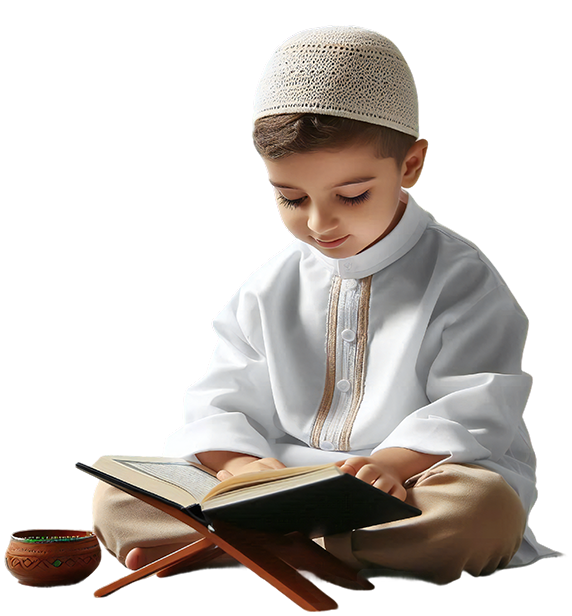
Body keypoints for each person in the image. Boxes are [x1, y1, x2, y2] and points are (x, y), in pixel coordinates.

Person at [92, 25, 565, 586]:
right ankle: (314, 553)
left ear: (410, 165)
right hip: (278, 480)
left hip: (409, 483)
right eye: (291, 198)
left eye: (352, 195)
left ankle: (239, 549)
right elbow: (221, 403)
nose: (319, 223)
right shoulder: (268, 286)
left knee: (477, 511)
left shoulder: (464, 279)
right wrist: (242, 467)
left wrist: (388, 465)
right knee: (116, 497)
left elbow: (476, 407)